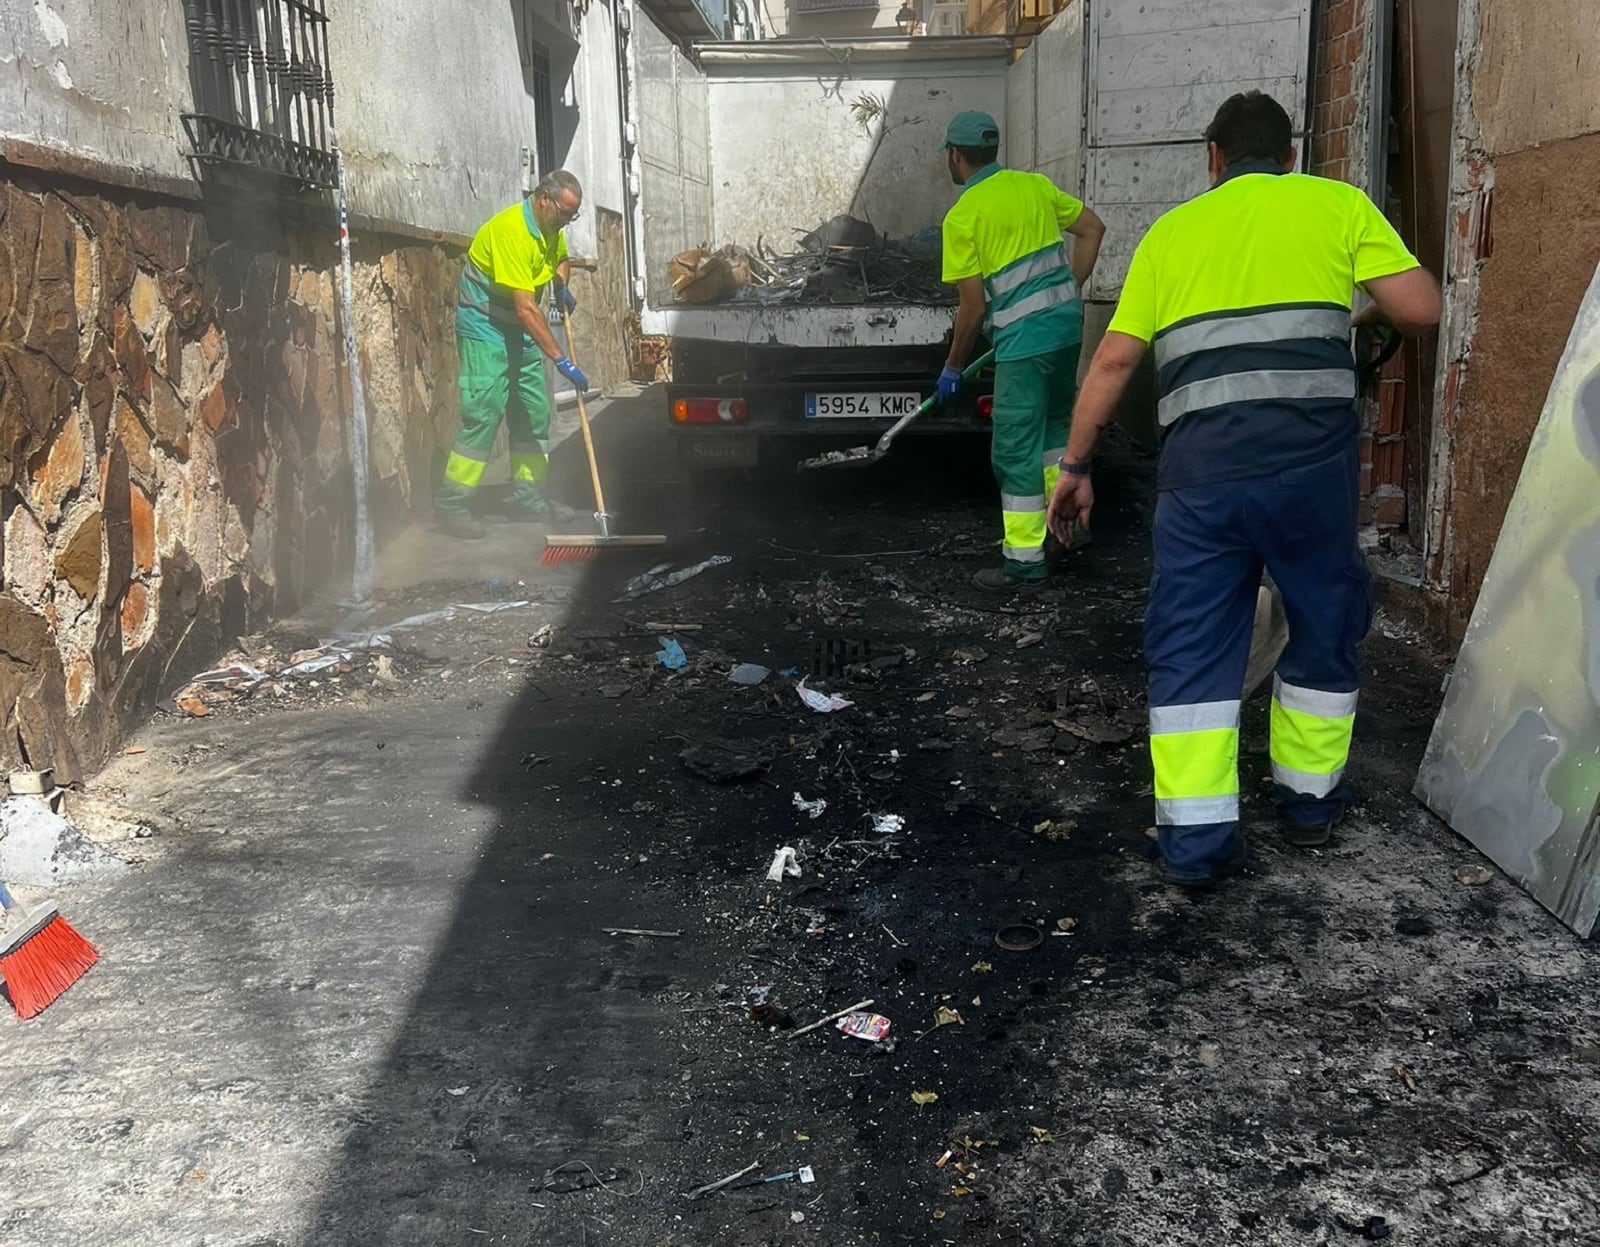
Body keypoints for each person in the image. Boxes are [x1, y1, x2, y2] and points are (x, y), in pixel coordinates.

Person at [1045, 91, 1441, 885]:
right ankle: (1307, 806)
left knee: (1193, 645)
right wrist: (1353, 317)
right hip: (1310, 474)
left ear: (1213, 158)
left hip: (1201, 483)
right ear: (1290, 156)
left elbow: (1117, 362)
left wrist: (1076, 468)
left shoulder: (1173, 233)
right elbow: (1421, 308)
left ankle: (1193, 845)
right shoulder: (1336, 205)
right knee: (1322, 623)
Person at [936, 110, 1106, 590]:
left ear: (955, 155)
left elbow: (971, 308)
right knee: (1055, 433)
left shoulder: (963, 216)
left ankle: (1026, 559)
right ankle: (1069, 531)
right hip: (1065, 330)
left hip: (1024, 346)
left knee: (1014, 449)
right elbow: (1094, 229)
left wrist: (953, 366)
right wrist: (1066, 290)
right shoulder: (1035, 186)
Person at [436, 170, 591, 540]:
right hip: (485, 324)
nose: (568, 221)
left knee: (534, 412)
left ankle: (526, 496)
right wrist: (561, 359)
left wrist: (561, 285)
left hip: (517, 327)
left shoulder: (551, 226)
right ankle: (452, 504)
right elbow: (525, 309)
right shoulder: (512, 232)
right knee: (485, 411)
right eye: (565, 213)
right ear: (543, 199)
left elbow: (560, 259)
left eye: (574, 216)